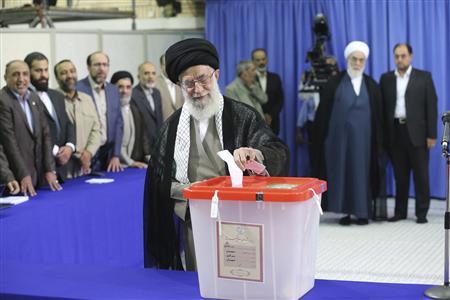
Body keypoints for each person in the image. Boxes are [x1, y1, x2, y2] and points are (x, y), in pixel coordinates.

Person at [143, 38, 289, 271]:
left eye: (202, 79)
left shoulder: (242, 116)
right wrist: (193, 192)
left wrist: (255, 154)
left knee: (242, 280)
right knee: (200, 281)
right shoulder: (171, 128)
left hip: (240, 218)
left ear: (217, 75)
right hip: (195, 218)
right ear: (180, 85)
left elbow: (276, 150)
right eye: (188, 83)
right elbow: (158, 182)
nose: (197, 89)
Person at [312, 41, 383, 225]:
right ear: (348, 59)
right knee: (342, 173)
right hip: (339, 141)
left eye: (361, 60)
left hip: (364, 143)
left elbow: (379, 117)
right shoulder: (334, 83)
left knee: (362, 174)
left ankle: (362, 212)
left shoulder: (372, 86)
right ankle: (345, 212)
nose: (357, 63)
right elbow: (323, 114)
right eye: (354, 59)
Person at [380, 43, 437, 224]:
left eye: (403, 56)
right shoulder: (386, 79)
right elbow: (382, 109)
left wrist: (432, 135)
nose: (400, 59)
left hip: (418, 134)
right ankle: (400, 212)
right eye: (396, 56)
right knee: (400, 176)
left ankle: (421, 213)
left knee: (421, 175)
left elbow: (432, 107)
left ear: (410, 56)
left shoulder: (424, 77)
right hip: (395, 132)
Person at [0, 60, 61, 196]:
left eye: (25, 74)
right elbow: (9, 142)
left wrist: (50, 169)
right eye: (15, 74)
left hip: (39, 178)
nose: (21, 79)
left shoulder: (33, 97)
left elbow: (45, 135)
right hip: (18, 181)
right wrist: (23, 174)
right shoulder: (3, 101)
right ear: (5, 78)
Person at [24, 52, 76, 181]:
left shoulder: (57, 95)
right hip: (40, 170)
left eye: (46, 70)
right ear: (28, 72)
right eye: (38, 70)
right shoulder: (24, 99)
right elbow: (30, 133)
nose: (43, 75)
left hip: (63, 170)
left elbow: (68, 124)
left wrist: (70, 147)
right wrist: (55, 151)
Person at [77, 51, 124, 172]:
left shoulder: (113, 90)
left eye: (105, 65)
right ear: (88, 67)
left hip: (107, 155)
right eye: (97, 64)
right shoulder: (78, 89)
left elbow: (118, 123)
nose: (101, 69)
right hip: (84, 155)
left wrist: (116, 155)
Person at [54, 59, 101, 178]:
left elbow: (96, 130)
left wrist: (88, 153)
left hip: (85, 168)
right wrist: (78, 154)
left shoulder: (87, 99)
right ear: (56, 77)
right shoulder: (52, 99)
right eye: (64, 73)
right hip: (62, 169)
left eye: (72, 71)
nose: (69, 75)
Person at [110, 71, 150, 169]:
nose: (125, 91)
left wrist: (149, 156)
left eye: (128, 87)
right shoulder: (108, 112)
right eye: (120, 87)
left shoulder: (134, 109)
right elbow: (115, 142)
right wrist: (130, 162)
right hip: (114, 165)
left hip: (131, 165)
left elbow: (143, 136)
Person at [132, 61, 164, 153]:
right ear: (139, 77)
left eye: (153, 73)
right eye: (146, 73)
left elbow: (159, 120)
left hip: (157, 147)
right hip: (141, 149)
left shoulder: (157, 93)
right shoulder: (133, 95)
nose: (150, 76)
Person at [251, 48, 284, 134]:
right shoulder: (249, 79)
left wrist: (270, 115)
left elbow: (280, 100)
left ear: (267, 60)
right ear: (253, 62)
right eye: (258, 60)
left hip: (273, 122)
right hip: (254, 123)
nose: (261, 62)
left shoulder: (275, 78)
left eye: (263, 59)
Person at [155, 54, 184, 121]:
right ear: (161, 66)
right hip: (163, 126)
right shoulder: (155, 84)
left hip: (180, 125)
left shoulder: (180, 82)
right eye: (167, 64)